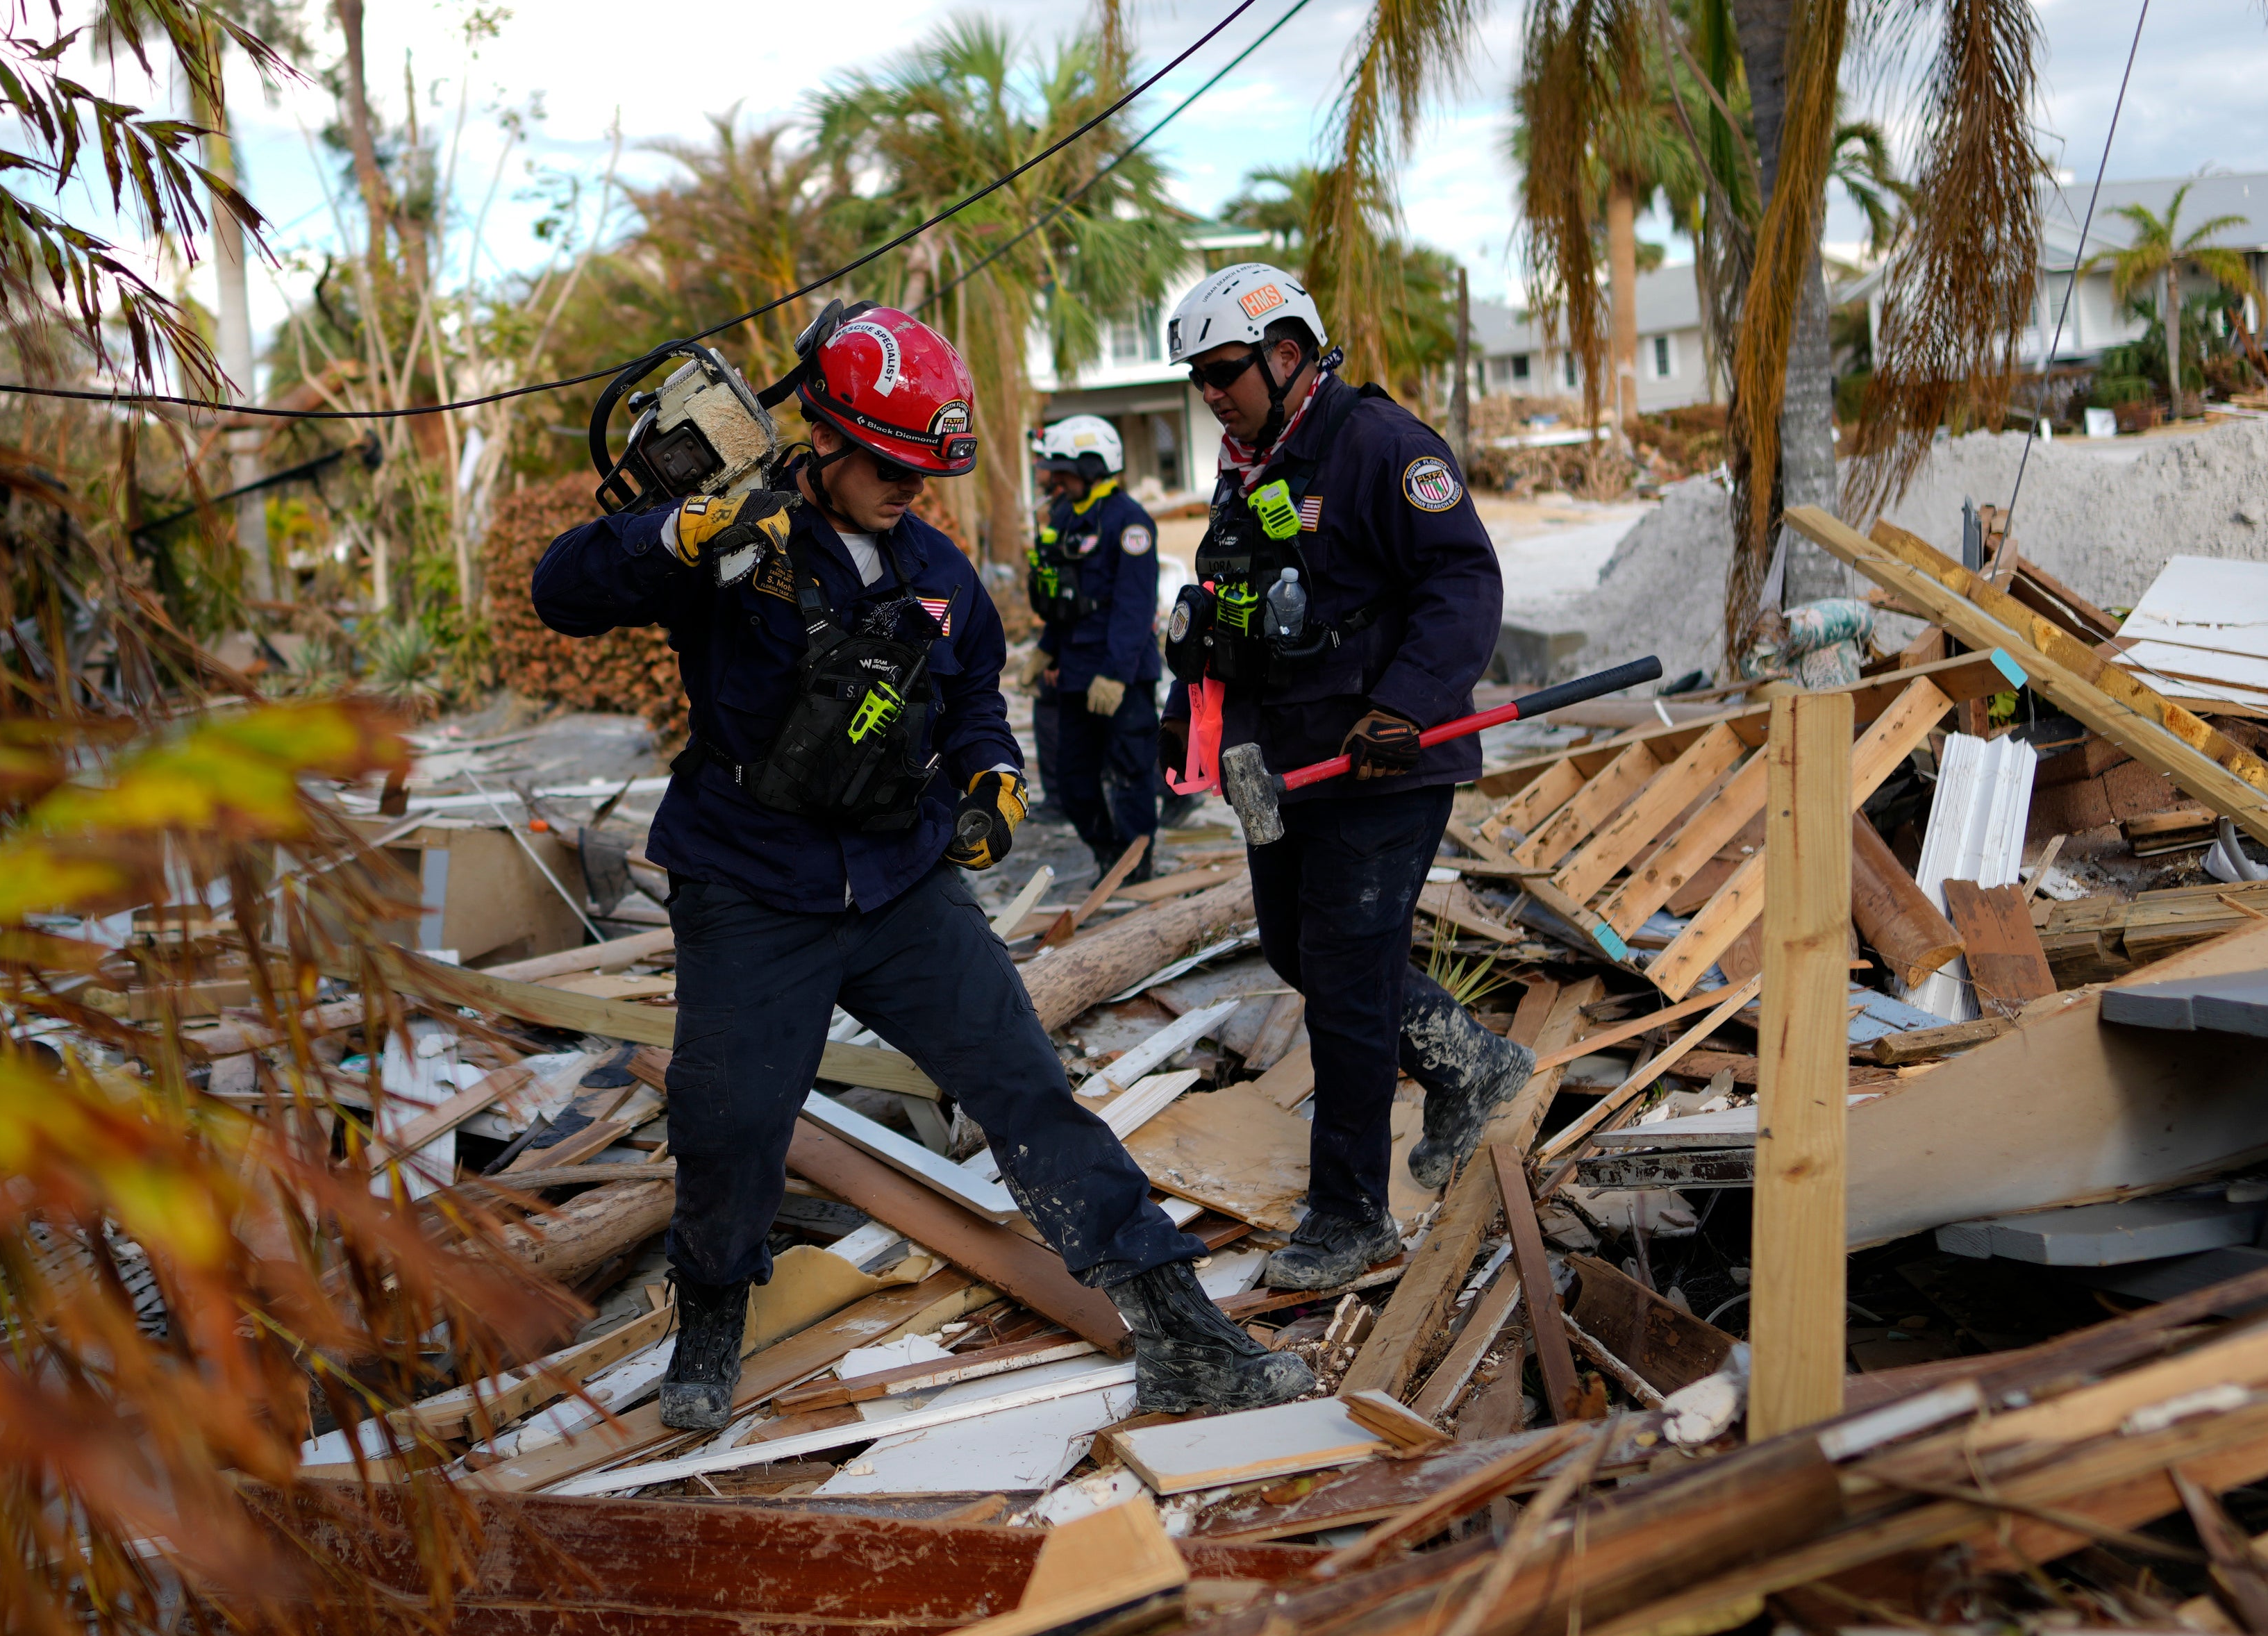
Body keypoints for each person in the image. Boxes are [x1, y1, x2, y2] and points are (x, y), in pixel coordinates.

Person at [533, 303, 1311, 1428]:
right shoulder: (730, 543)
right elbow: (561, 591)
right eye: (891, 465)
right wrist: (669, 535)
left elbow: (974, 707)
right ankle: (707, 1332)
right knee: (729, 1119)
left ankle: (1181, 1330)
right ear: (827, 437)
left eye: (924, 469)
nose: (909, 488)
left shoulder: (937, 563)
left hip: (899, 886)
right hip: (751, 882)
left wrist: (993, 778)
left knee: (1029, 1091)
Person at [1156, 262, 1531, 1295]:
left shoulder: (1381, 446)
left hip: (1387, 762)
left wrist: (1405, 706)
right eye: (1199, 377)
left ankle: (1349, 1214)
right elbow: (1232, 611)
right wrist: (1188, 723)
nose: (1211, 393)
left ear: (1285, 352)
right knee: (1296, 950)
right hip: (1293, 766)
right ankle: (1468, 1062)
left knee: (1350, 983)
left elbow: (1463, 581)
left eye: (1223, 370)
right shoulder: (1250, 466)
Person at [1024, 415, 1162, 883]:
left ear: (1091, 466)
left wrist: (1117, 674)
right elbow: (1064, 598)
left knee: (1130, 773)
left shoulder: (1131, 522)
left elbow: (1134, 605)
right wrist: (1046, 649)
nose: (1053, 479)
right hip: (1078, 671)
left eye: (1061, 470)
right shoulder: (1065, 517)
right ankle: (1108, 853)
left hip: (1121, 674)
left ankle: (1136, 865)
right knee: (1074, 779)